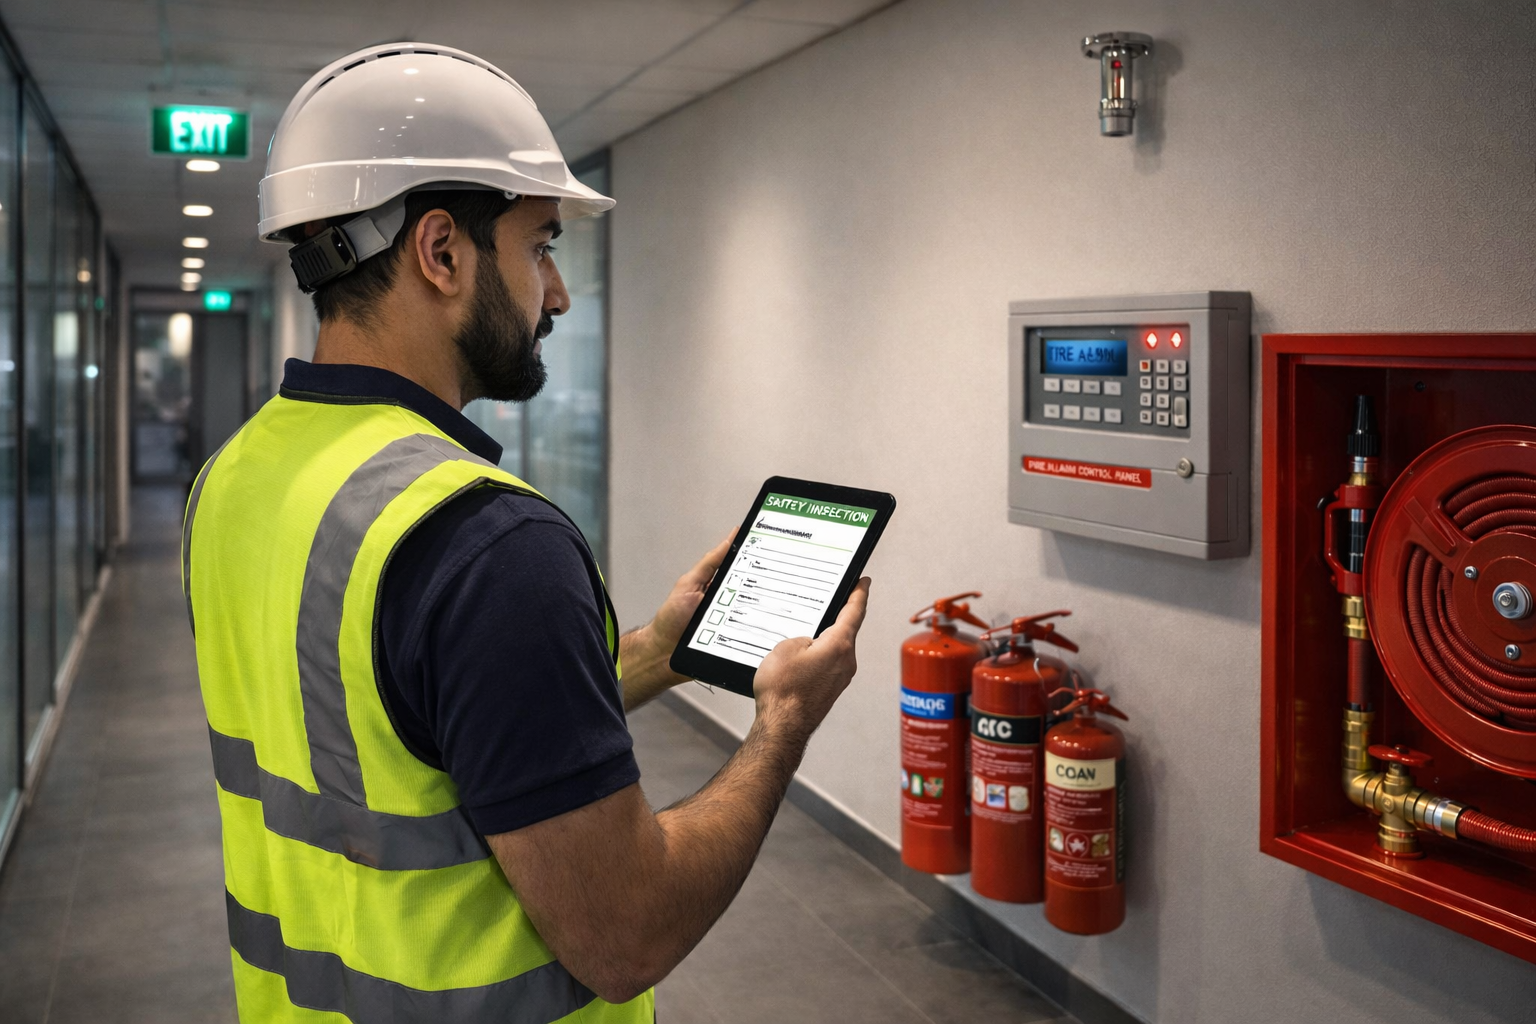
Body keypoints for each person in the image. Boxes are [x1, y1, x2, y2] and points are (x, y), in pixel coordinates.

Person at [182, 42, 872, 1023]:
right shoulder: (489, 545)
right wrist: (782, 726)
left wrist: (659, 652)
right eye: (542, 245)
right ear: (441, 251)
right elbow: (626, 931)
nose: (558, 294)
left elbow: (401, 725)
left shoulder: (236, 477)